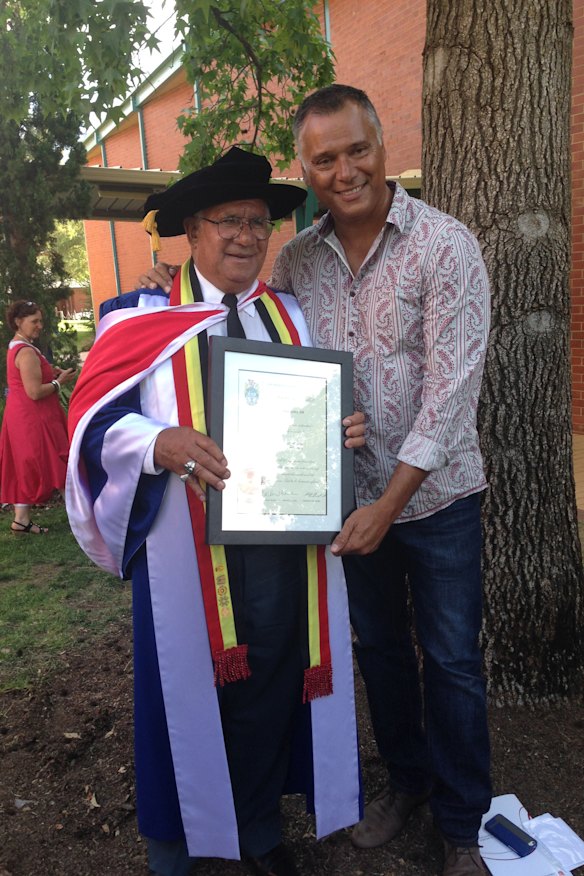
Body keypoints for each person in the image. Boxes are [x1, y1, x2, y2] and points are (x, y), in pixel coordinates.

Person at [139, 85, 492, 876]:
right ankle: (406, 784)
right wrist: (325, 435)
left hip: (433, 502)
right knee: (381, 655)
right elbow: (282, 385)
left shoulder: (446, 245)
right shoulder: (296, 263)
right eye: (324, 159)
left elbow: (451, 396)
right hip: (337, 508)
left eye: (355, 150)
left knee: (452, 659)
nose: (343, 170)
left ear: (380, 141)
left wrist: (386, 501)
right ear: (308, 167)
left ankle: (462, 823)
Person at [66, 147, 365, 876]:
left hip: (279, 550)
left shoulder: (288, 316)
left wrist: (340, 429)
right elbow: (91, 426)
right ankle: (175, 847)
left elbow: (306, 417)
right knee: (181, 700)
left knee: (268, 687)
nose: (245, 236)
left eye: (259, 223)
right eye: (228, 220)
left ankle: (258, 829)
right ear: (192, 231)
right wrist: (156, 439)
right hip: (184, 556)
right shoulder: (133, 319)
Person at [0, 300, 75, 533]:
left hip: (22, 415)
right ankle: (81, 519)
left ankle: (21, 519)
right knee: (58, 459)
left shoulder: (20, 346)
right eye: (34, 321)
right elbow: (34, 392)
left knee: (26, 463)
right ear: (18, 322)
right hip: (34, 417)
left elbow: (30, 378)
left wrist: (52, 372)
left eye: (40, 320)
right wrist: (58, 382)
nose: (40, 325)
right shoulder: (25, 351)